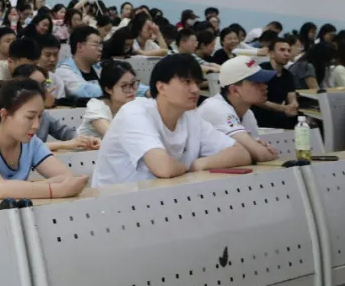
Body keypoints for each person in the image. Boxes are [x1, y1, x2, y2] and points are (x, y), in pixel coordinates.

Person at [92, 55, 251, 188]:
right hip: (115, 205)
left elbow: (241, 153)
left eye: (196, 83)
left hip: (161, 199)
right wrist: (190, 166)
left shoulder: (191, 116)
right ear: (161, 88)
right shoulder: (134, 113)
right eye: (187, 82)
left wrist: (198, 164)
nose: (196, 89)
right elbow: (164, 168)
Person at [0, 79, 87, 207]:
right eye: (30, 117)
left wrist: (22, 189)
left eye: (40, 116)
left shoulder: (31, 142)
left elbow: (65, 177)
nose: (36, 125)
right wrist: (55, 190)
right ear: (4, 114)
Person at [199, 57, 280, 162]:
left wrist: (259, 151)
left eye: (263, 81)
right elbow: (261, 154)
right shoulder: (216, 108)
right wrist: (258, 151)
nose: (264, 86)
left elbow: (261, 152)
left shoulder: (247, 113)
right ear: (235, 90)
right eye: (256, 83)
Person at [13, 64, 96, 153]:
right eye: (36, 86)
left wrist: (86, 140)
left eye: (44, 85)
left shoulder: (44, 114)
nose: (44, 90)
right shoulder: (12, 115)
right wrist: (63, 144)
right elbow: (22, 147)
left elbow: (65, 132)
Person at [77, 60, 138, 139]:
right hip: (86, 147)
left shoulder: (136, 103)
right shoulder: (96, 107)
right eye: (124, 86)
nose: (131, 90)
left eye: (133, 83)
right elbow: (113, 137)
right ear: (108, 89)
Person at [251, 36, 300, 129]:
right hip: (261, 117)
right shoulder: (261, 71)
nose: (286, 54)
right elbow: (257, 100)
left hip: (280, 115)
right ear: (271, 54)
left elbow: (292, 97)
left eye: (289, 51)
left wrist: (293, 105)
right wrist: (282, 108)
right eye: (282, 50)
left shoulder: (288, 74)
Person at [0, 37, 39, 102]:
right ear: (10, 61)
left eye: (35, 65)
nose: (31, 70)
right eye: (26, 67)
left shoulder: (34, 73)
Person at [55, 26, 105, 98]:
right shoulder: (63, 71)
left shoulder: (99, 68)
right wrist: (111, 90)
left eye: (100, 45)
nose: (100, 49)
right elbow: (84, 91)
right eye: (95, 45)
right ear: (80, 47)